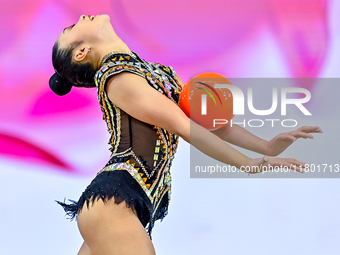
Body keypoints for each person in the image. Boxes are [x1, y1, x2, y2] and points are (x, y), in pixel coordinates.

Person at [50, 14, 322, 255]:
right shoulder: (118, 78)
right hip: (113, 202)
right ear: (82, 52)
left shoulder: (155, 73)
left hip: (125, 204)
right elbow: (185, 127)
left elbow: (210, 124)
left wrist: (266, 146)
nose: (83, 16)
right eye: (73, 26)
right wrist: (248, 164)